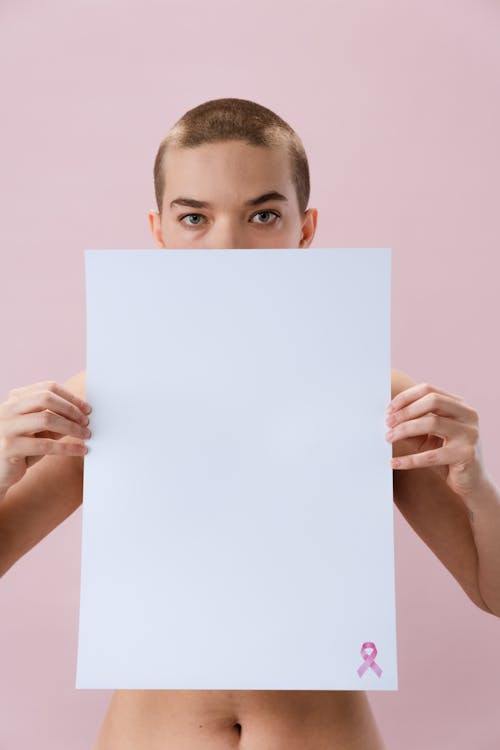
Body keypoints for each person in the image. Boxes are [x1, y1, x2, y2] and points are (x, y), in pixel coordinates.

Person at [0, 97, 499, 750]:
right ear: (160, 232)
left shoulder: (378, 401)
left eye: (262, 215)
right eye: (194, 218)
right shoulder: (102, 402)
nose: (228, 245)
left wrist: (476, 483)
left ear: (306, 228)